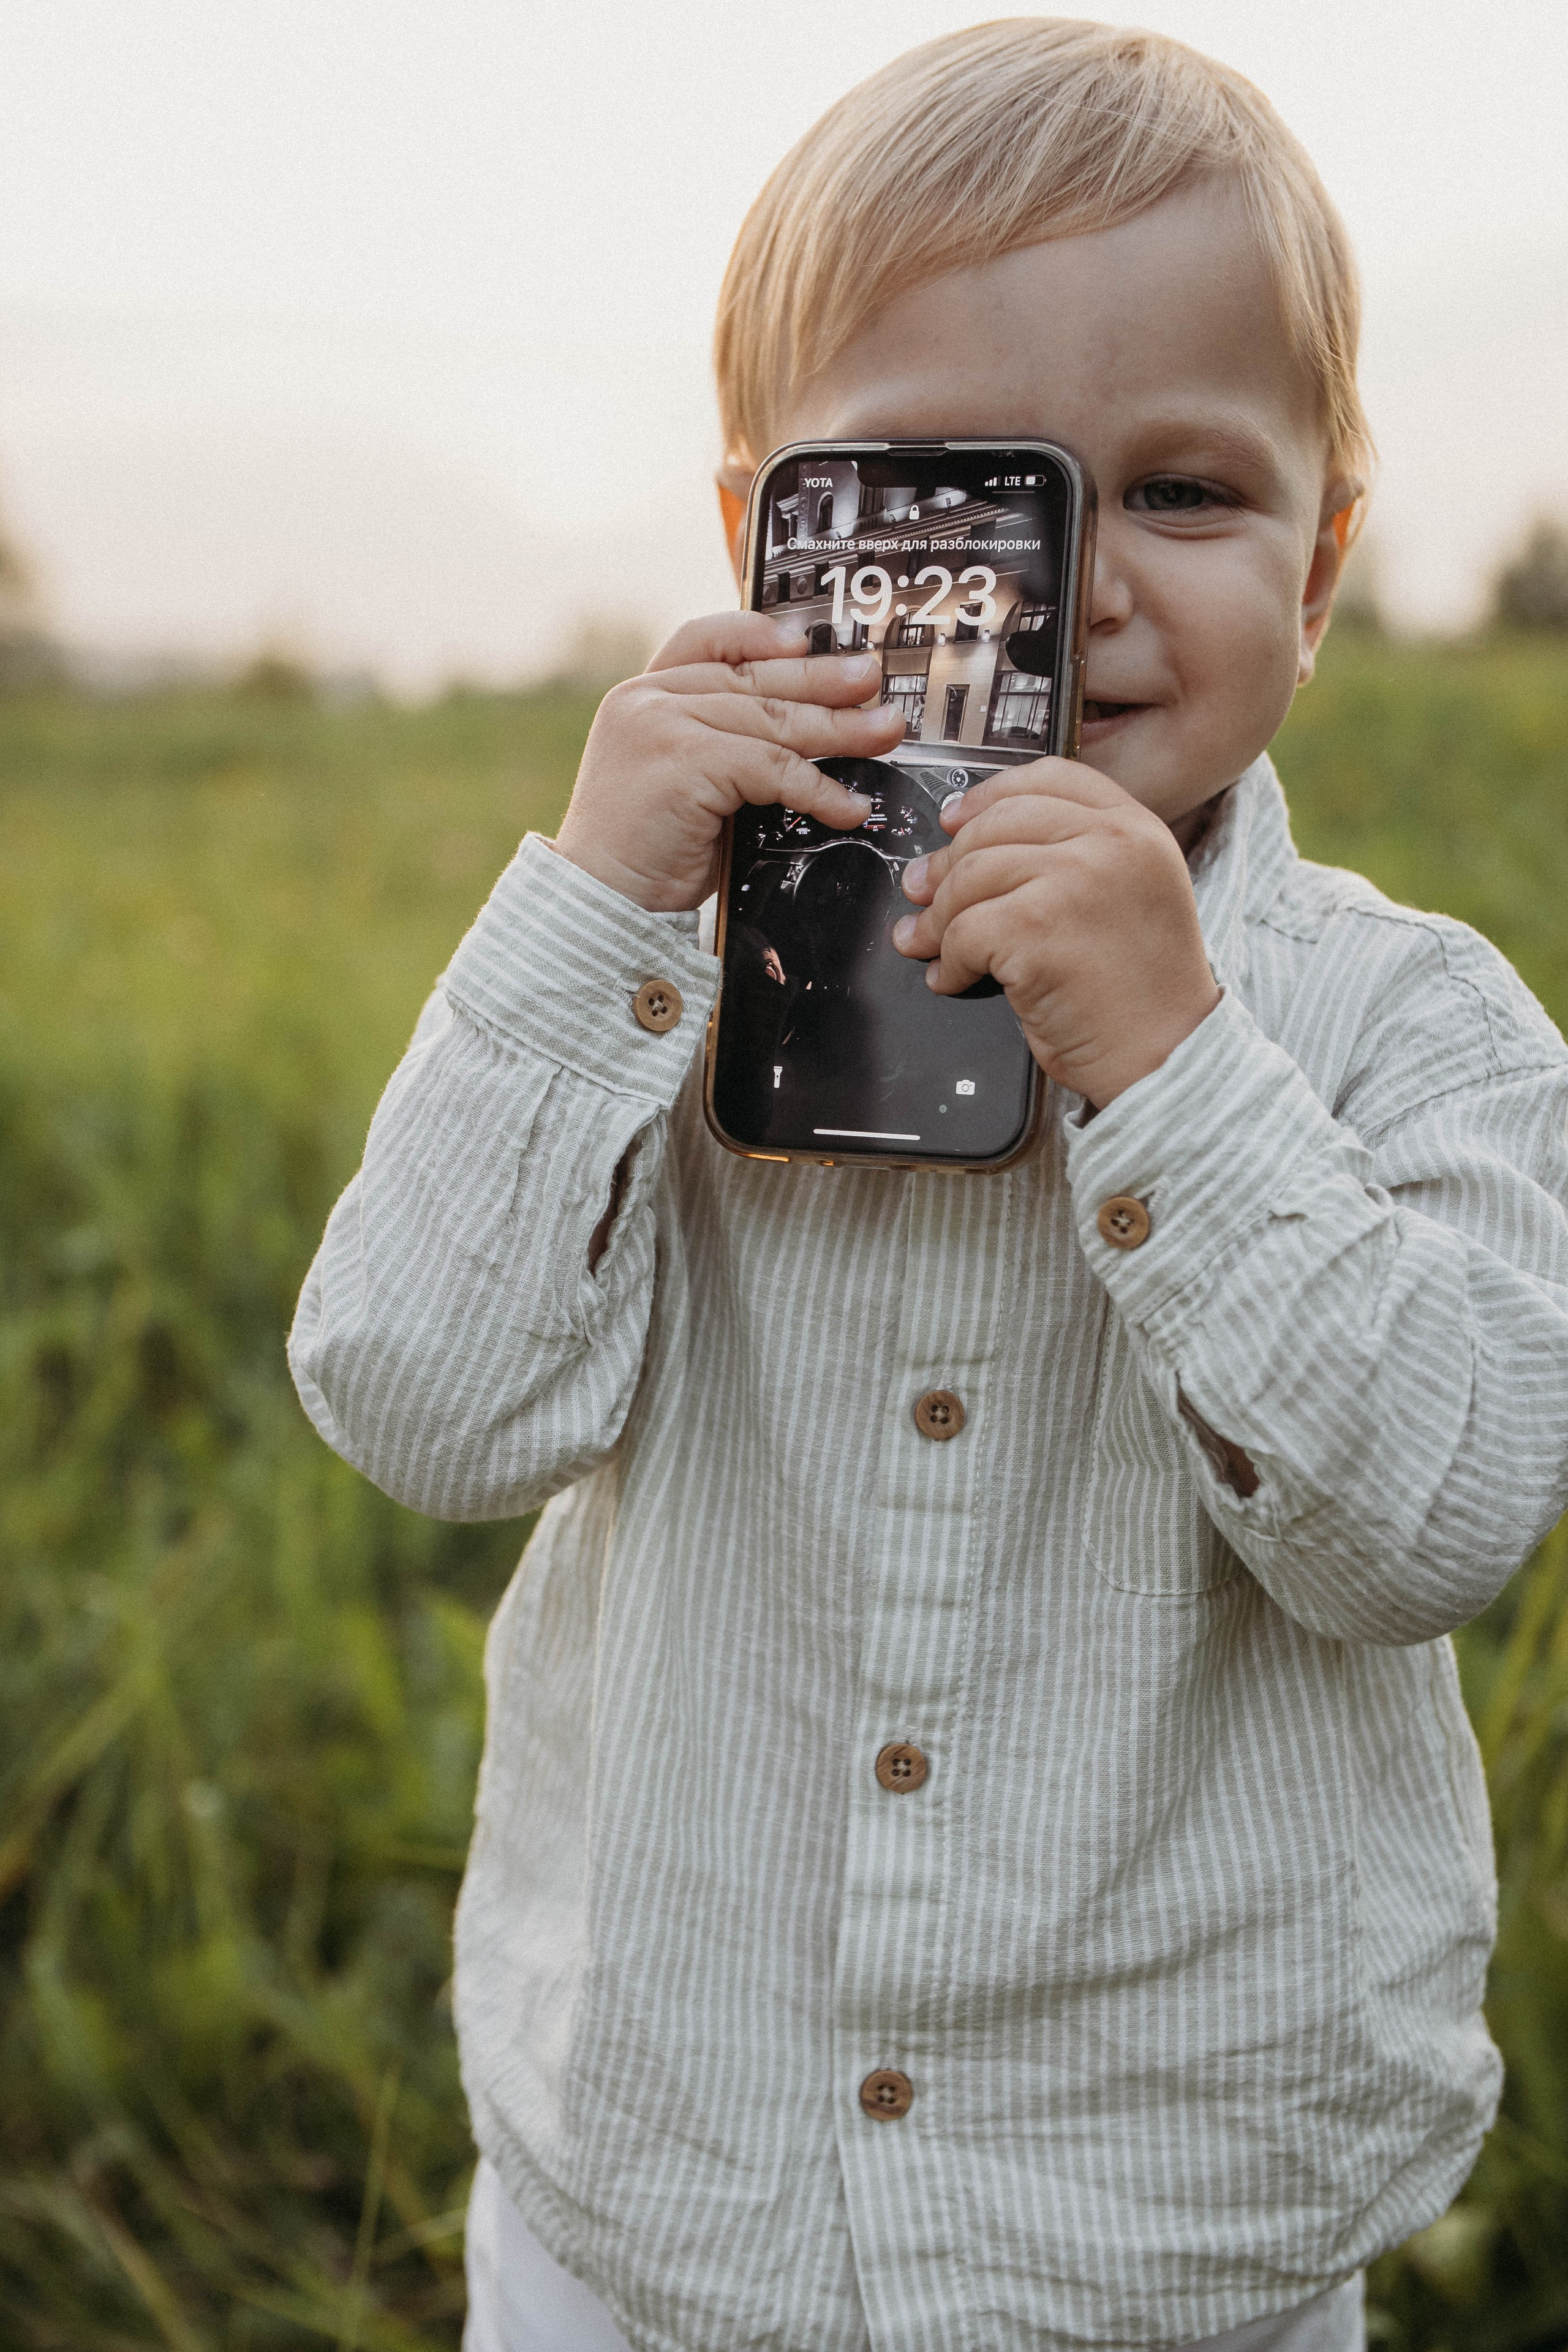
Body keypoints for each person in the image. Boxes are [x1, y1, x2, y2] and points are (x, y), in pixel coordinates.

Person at [288, 22, 1568, 2352]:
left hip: (1165, 2240)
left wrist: (1176, 1067)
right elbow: (419, 1401)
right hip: (663, 2203)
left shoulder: (1419, 1026)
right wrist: (593, 909)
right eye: (952, 498)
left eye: (1181, 492)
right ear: (761, 543)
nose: (1070, 589)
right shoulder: (653, 976)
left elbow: (1433, 1524)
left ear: (1324, 565)